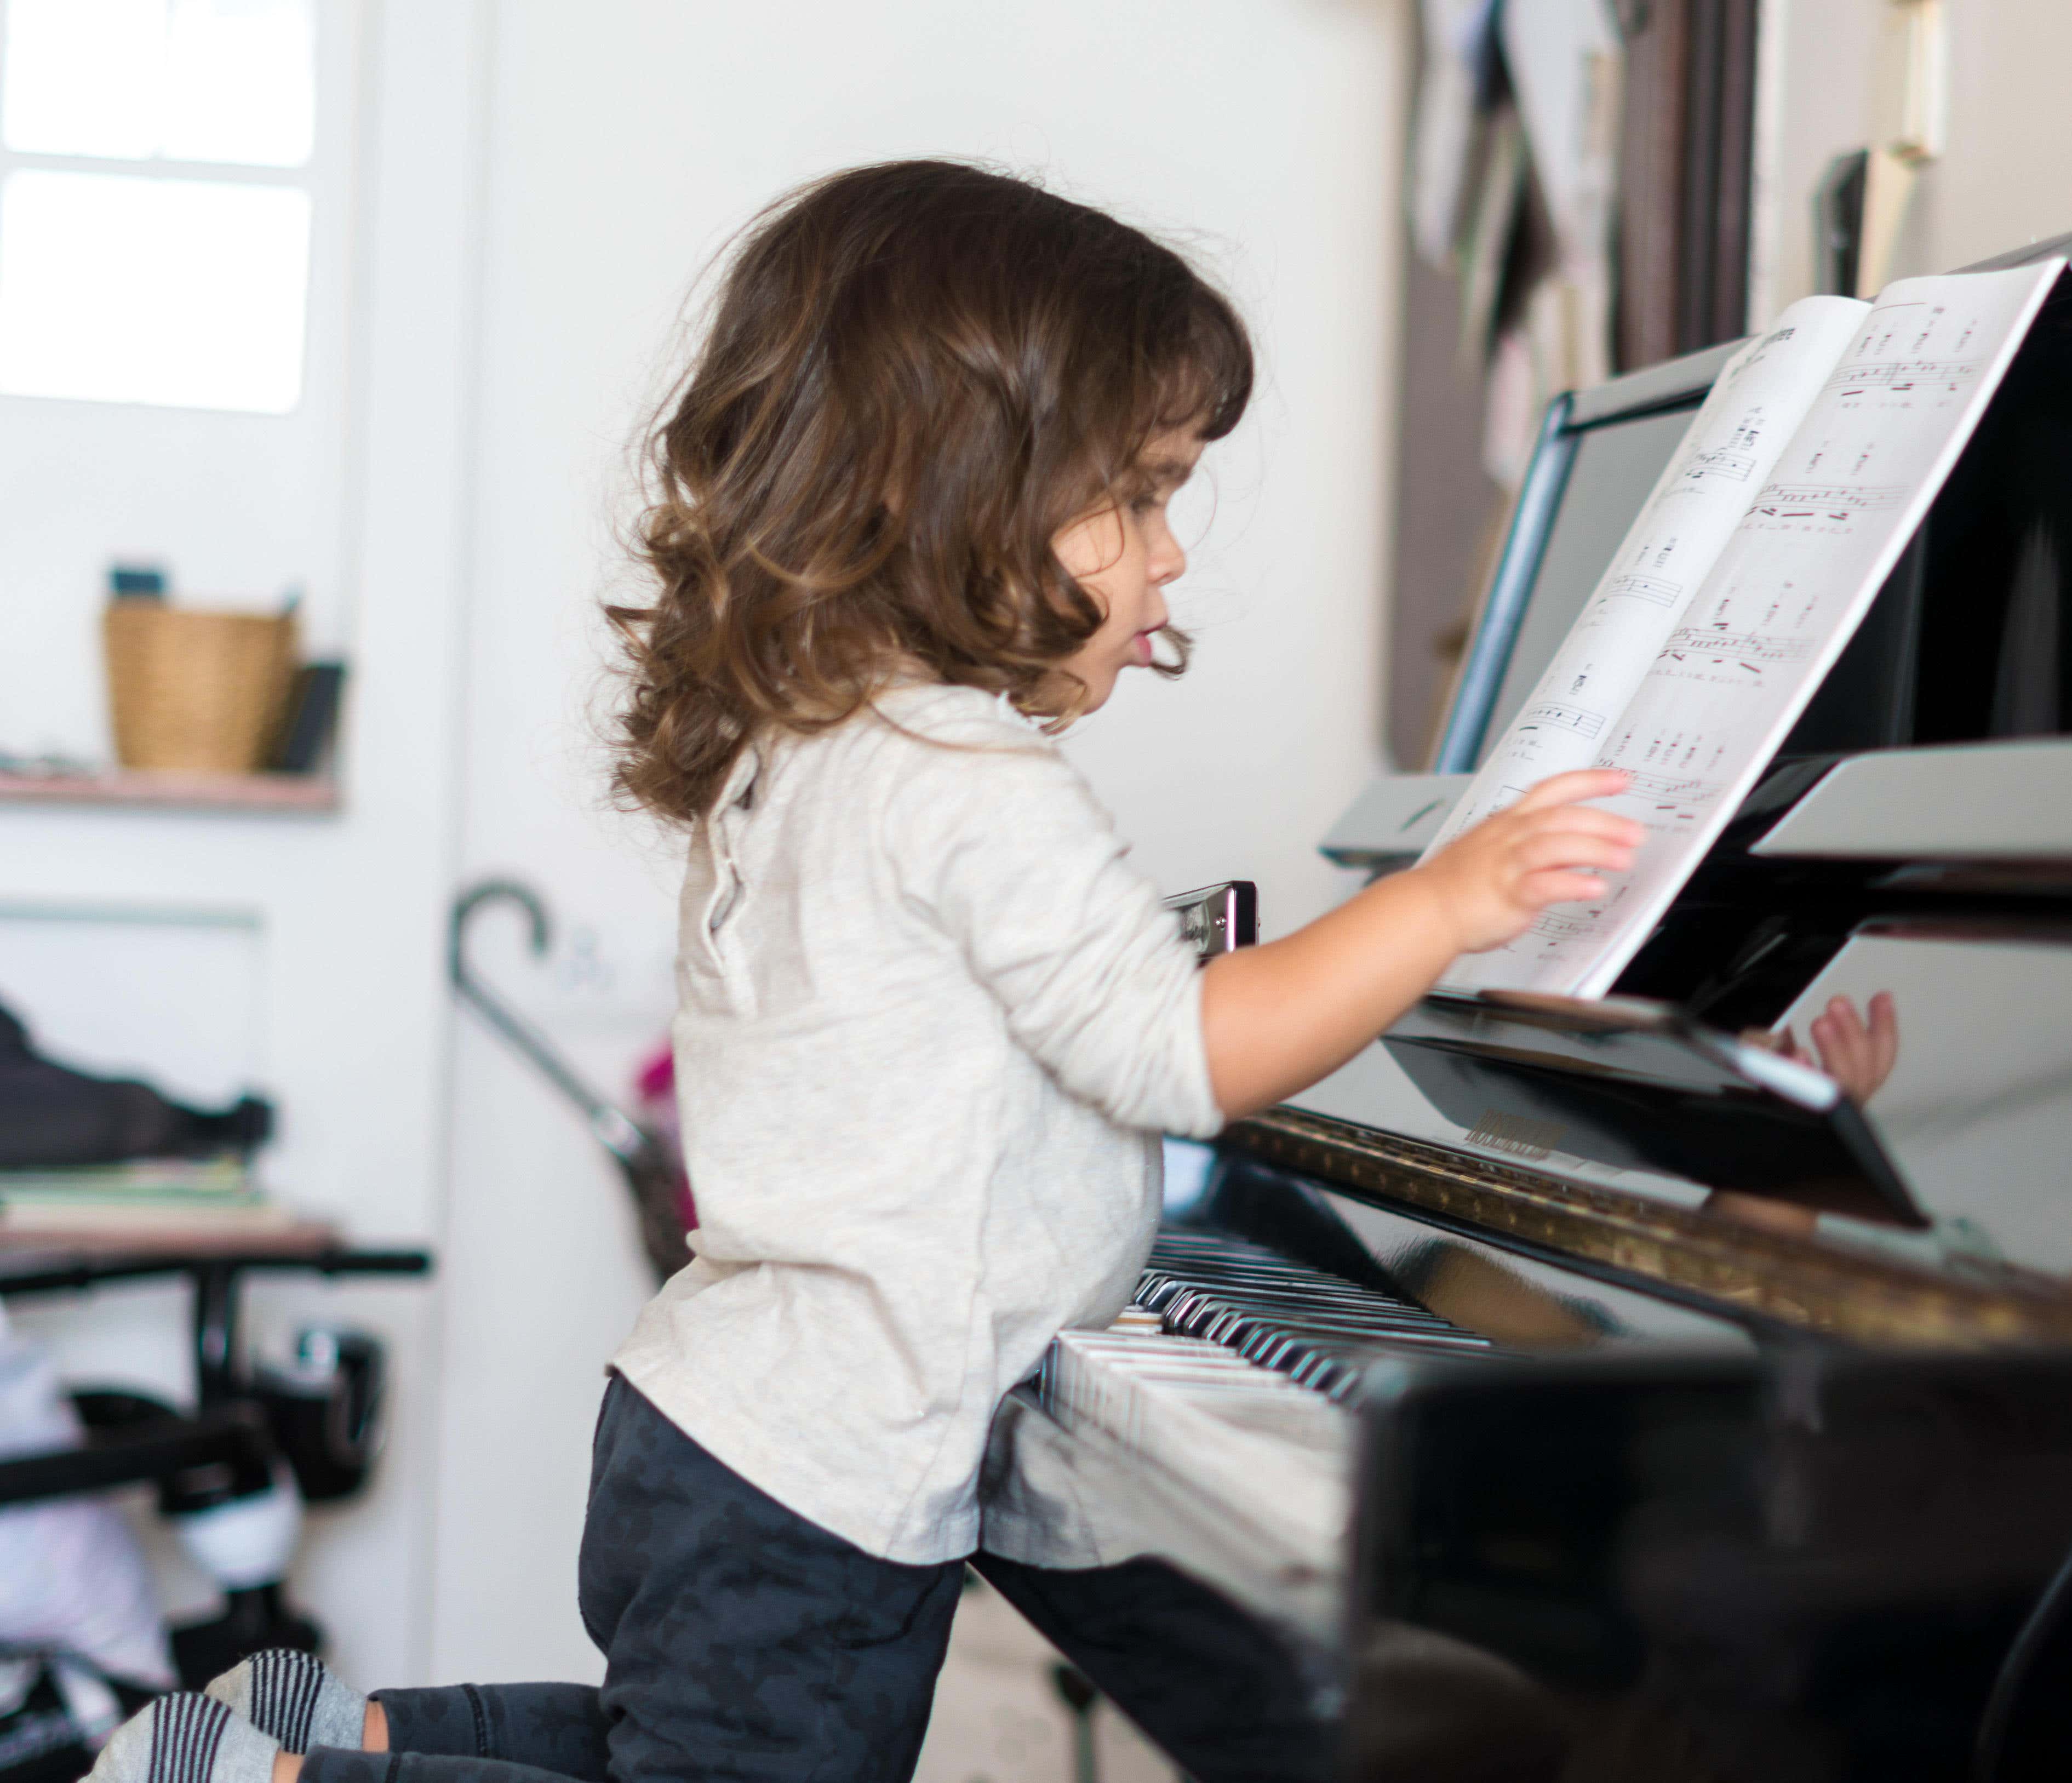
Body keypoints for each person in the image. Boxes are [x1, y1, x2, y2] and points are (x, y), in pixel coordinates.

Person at [83, 159, 1662, 1783]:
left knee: (679, 1755)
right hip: (824, 1471)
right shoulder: (965, 776)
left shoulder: (820, 742)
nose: (1170, 556)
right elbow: (1182, 1057)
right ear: (960, 489)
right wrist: (1447, 902)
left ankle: (323, 1737)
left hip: (718, 1424)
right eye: (1140, 491)